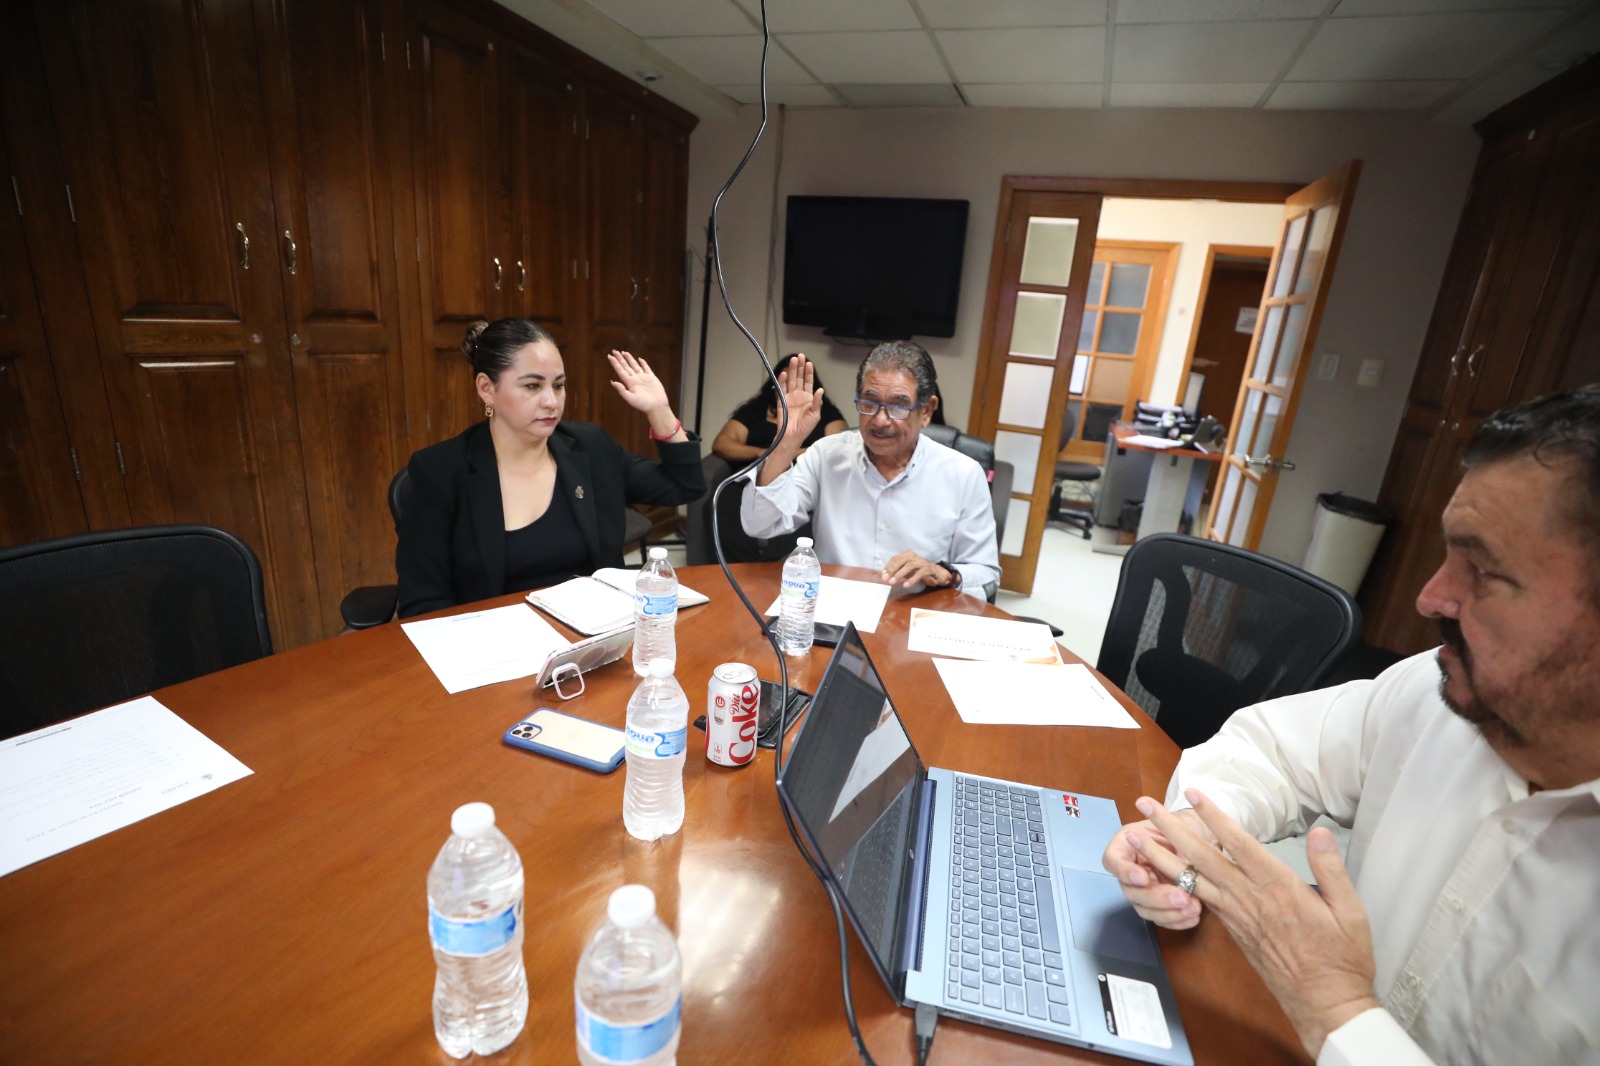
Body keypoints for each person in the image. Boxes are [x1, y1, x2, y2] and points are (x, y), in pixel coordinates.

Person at [1102, 386, 1600, 1065]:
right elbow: (1273, 750)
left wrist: (1334, 1008)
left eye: (1483, 572)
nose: (1430, 598)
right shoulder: (1438, 689)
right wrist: (1194, 835)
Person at [396, 319, 703, 618]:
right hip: (497, 639)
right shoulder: (439, 470)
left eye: (558, 385)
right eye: (532, 386)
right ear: (486, 388)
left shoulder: (590, 447)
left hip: (595, 631)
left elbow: (682, 485)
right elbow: (423, 605)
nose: (551, 401)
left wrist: (659, 410)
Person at [740, 341, 999, 597]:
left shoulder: (963, 474)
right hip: (833, 606)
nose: (880, 420)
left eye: (898, 406)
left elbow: (986, 574)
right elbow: (758, 525)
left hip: (914, 612)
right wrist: (786, 443)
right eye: (870, 402)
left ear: (927, 411)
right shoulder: (826, 456)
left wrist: (943, 573)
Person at [711, 360, 849, 463]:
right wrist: (762, 453)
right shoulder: (755, 409)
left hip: (806, 476)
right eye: (786, 382)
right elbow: (721, 444)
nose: (792, 388)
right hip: (756, 475)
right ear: (774, 385)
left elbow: (838, 448)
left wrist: (785, 454)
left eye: (798, 383)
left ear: (811, 387)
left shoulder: (826, 412)